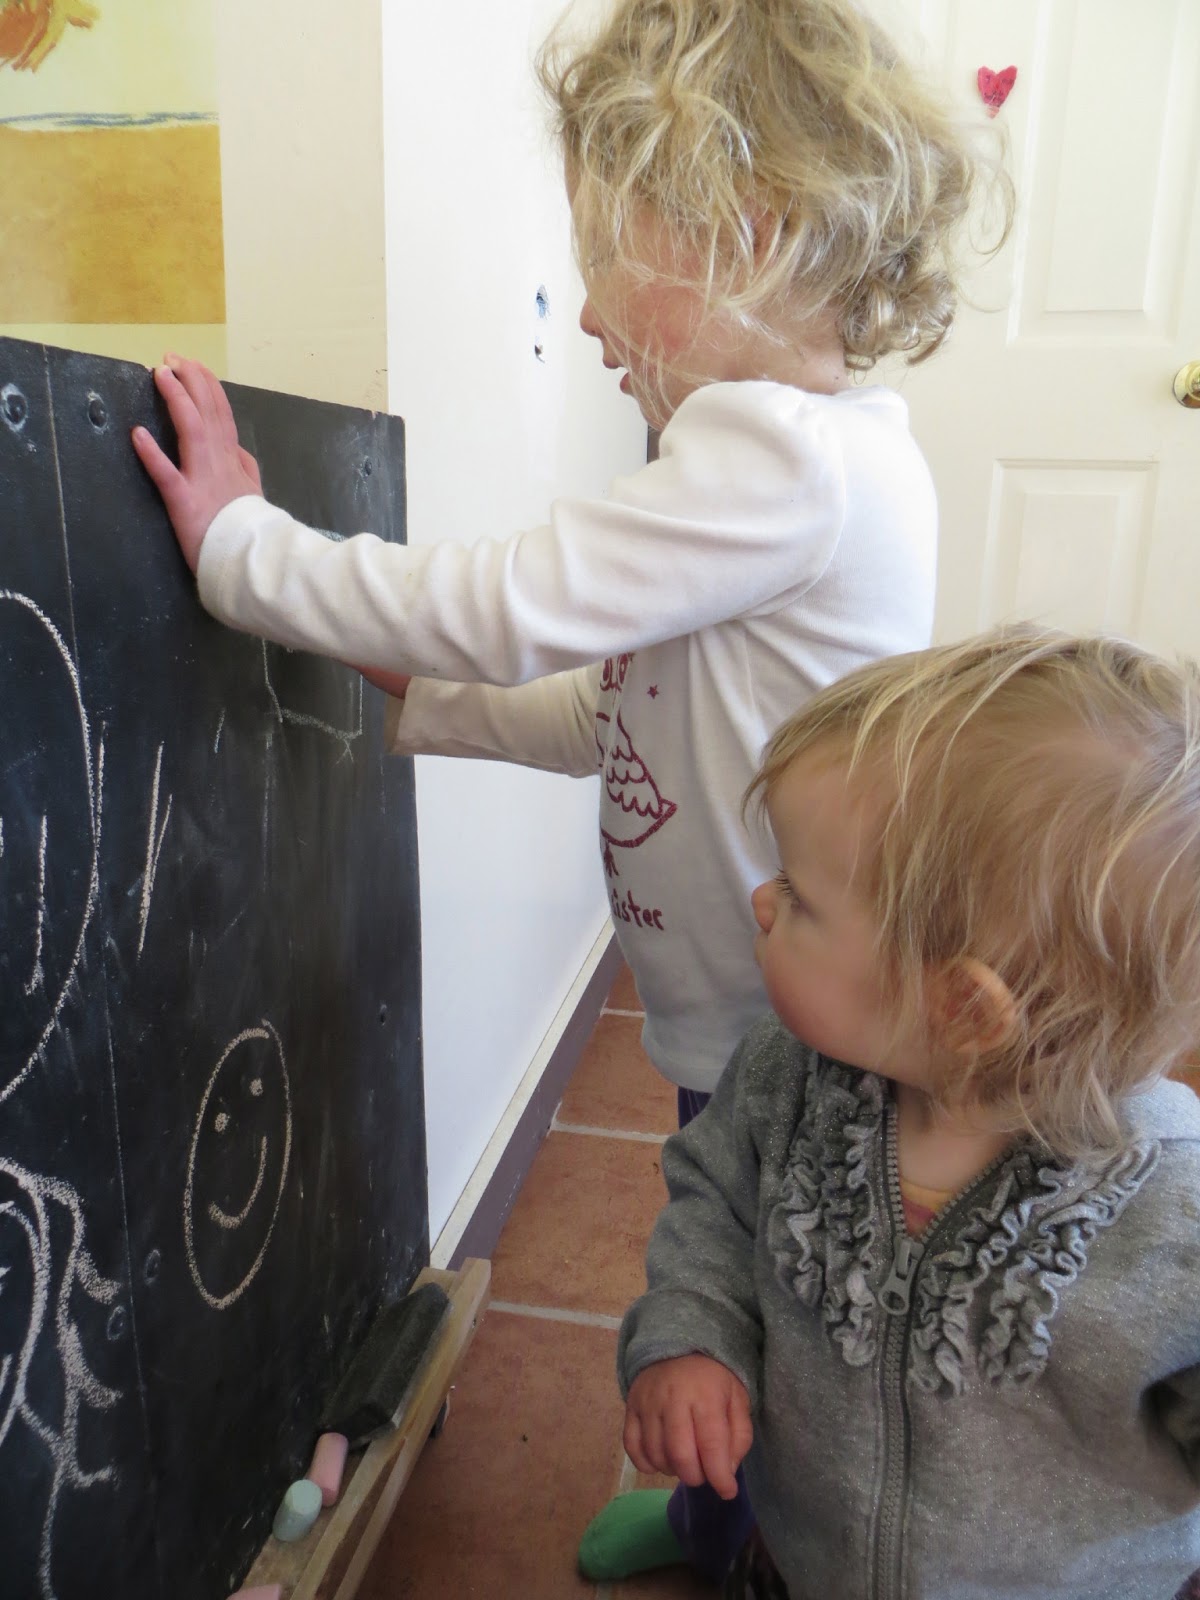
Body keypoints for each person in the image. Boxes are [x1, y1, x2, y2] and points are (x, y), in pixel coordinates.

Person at [130, 0, 1006, 1580]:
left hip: (800, 1037)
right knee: (736, 1290)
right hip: (749, 1018)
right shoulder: (791, 475)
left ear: (743, 227)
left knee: (780, 1329)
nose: (591, 314)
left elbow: (512, 601)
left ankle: (761, 1545)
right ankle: (717, 1516)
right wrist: (415, 685)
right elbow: (613, 713)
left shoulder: (782, 457)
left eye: (607, 254)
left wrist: (245, 553)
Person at [617, 626, 1200, 1599]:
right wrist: (688, 1333)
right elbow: (714, 1208)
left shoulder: (1175, 1212)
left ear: (962, 1008)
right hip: (799, 1566)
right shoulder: (782, 1076)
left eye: (798, 895)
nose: (761, 900)